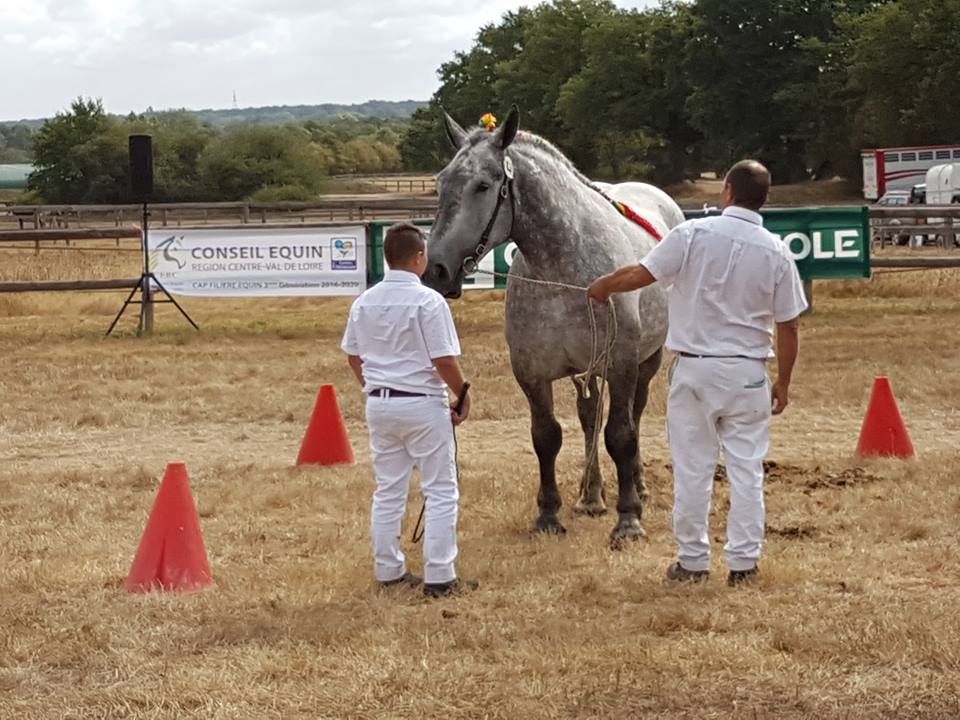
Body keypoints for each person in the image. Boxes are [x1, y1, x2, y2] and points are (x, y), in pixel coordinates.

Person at [587, 160, 807, 586]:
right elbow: (789, 325)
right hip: (747, 372)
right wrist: (784, 380)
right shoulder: (776, 250)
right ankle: (743, 562)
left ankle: (692, 561)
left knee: (693, 471)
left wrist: (602, 287)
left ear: (726, 191)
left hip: (696, 370)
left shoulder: (690, 234)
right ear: (764, 198)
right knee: (747, 471)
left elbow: (639, 274)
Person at [341, 221, 477, 598]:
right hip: (421, 404)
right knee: (440, 489)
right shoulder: (429, 302)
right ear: (420, 257)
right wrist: (463, 393)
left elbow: (353, 355)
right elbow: (444, 360)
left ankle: (388, 568)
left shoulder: (364, 301)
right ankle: (440, 574)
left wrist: (370, 385)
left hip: (380, 403)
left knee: (388, 490)